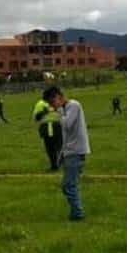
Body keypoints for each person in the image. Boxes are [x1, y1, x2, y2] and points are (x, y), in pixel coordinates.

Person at [44, 85, 89, 221]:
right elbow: (66, 135)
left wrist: (58, 111)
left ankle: (77, 214)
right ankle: (76, 212)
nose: (52, 106)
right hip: (69, 152)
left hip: (76, 151)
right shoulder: (64, 109)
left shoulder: (74, 105)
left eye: (52, 102)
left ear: (58, 96)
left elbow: (67, 124)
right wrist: (61, 155)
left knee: (69, 185)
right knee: (68, 186)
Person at [32, 96, 62, 171]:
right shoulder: (42, 103)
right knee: (56, 147)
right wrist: (45, 112)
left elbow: (36, 118)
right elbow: (36, 117)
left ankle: (56, 165)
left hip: (53, 126)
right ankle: (56, 165)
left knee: (53, 147)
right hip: (52, 126)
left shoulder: (41, 103)